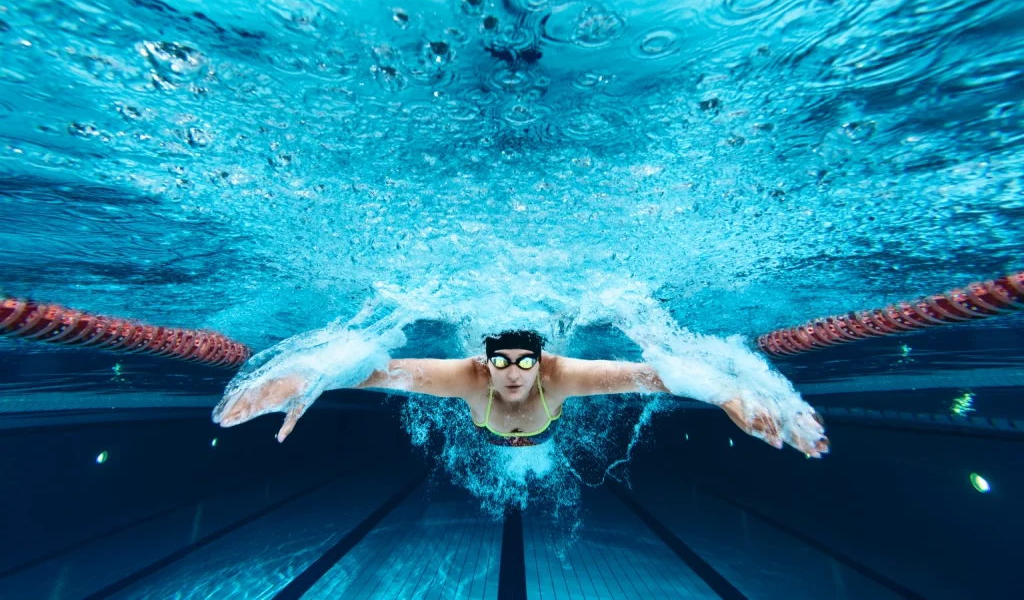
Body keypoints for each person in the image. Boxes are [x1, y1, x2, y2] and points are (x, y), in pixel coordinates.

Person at [213, 329, 829, 457]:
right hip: (485, 426)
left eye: (524, 362)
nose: (511, 372)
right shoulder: (468, 380)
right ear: (485, 362)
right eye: (500, 361)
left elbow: (660, 374)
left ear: (542, 361)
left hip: (545, 426)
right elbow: (374, 370)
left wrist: (728, 400)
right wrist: (302, 382)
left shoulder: (563, 377)